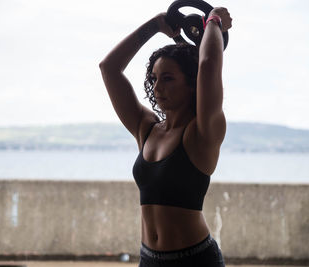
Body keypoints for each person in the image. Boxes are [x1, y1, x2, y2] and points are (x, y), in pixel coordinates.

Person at [100, 6, 232, 267]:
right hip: (148, 259)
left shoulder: (203, 131)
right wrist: (154, 26)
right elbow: (109, 68)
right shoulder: (146, 128)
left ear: (192, 83)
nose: (158, 88)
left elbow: (207, 65)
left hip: (195, 260)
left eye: (168, 78)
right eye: (154, 78)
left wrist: (214, 22)